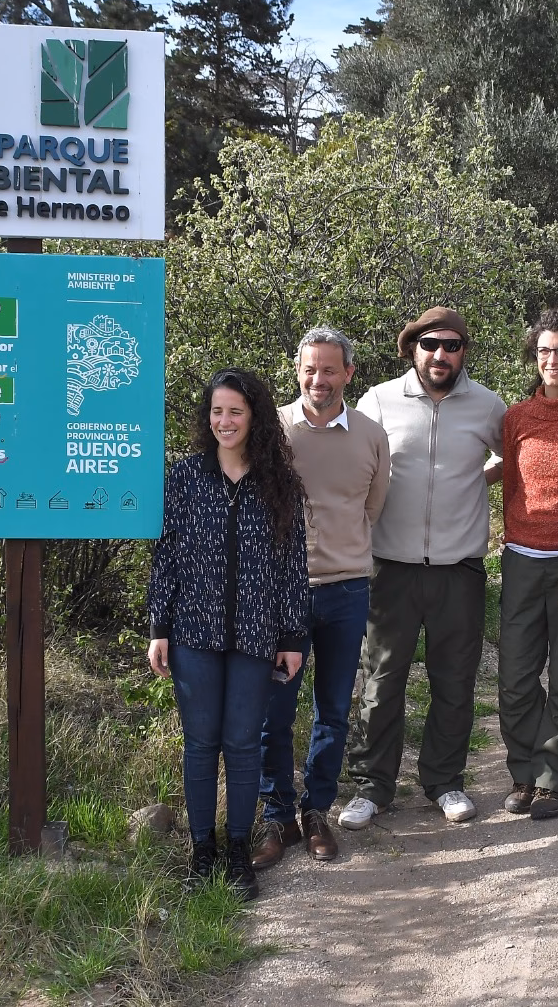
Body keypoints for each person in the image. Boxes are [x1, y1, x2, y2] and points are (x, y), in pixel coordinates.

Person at [147, 368, 309, 901]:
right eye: (216, 411)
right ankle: (202, 848)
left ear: (254, 416)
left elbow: (291, 565)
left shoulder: (279, 483)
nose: (224, 421)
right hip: (193, 631)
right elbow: (166, 555)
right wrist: (159, 626)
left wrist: (292, 637)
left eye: (235, 411)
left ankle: (238, 849)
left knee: (242, 745)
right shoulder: (185, 476)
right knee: (200, 744)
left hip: (256, 636)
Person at [341, 306, 506, 828]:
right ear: (412, 347)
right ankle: (373, 786)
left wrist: (475, 482)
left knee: (454, 681)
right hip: (389, 567)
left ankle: (444, 781)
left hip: (459, 569)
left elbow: (516, 457)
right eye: (431, 344)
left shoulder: (487, 406)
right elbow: (353, 465)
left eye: (452, 345)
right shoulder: (380, 400)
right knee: (381, 679)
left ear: (463, 352)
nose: (441, 354)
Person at [254, 328, 391, 869]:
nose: (319, 379)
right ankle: (277, 815)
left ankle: (316, 811)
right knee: (274, 710)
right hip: (282, 593)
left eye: (330, 369)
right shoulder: (272, 432)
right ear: (297, 371)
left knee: (332, 710)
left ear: (349, 374)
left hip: (347, 590)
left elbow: (372, 506)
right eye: (310, 369)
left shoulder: (371, 436)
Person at [498, 309, 558, 821]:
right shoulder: (517, 417)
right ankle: (522, 770)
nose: (551, 360)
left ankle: (554, 779)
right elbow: (512, 486)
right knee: (514, 676)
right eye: (542, 351)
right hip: (521, 560)